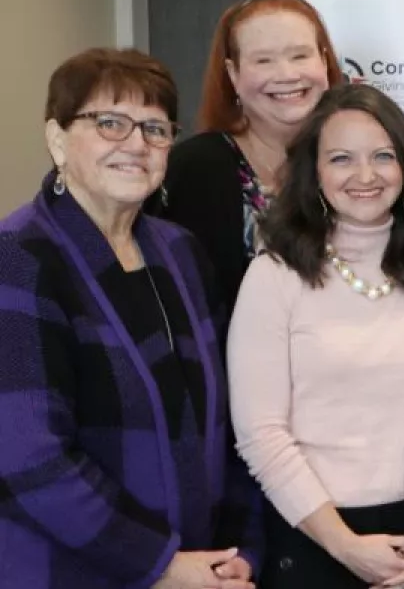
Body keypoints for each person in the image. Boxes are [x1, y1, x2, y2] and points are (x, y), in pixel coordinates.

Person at [0, 48, 260, 588]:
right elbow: (29, 458)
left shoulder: (180, 252)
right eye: (110, 123)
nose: (136, 144)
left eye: (155, 129)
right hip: (70, 573)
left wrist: (240, 548)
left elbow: (234, 419)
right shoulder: (18, 258)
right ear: (56, 139)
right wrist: (160, 565)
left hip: (201, 566)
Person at [227, 83, 404, 589]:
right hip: (312, 534)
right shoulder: (274, 276)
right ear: (314, 171)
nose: (365, 176)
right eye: (341, 158)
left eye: (383, 156)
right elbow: (261, 435)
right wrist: (344, 546)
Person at [153, 0, 346, 312]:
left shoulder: (362, 160)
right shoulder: (194, 170)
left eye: (300, 56)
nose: (286, 74)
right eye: (263, 60)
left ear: (323, 62)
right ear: (233, 74)